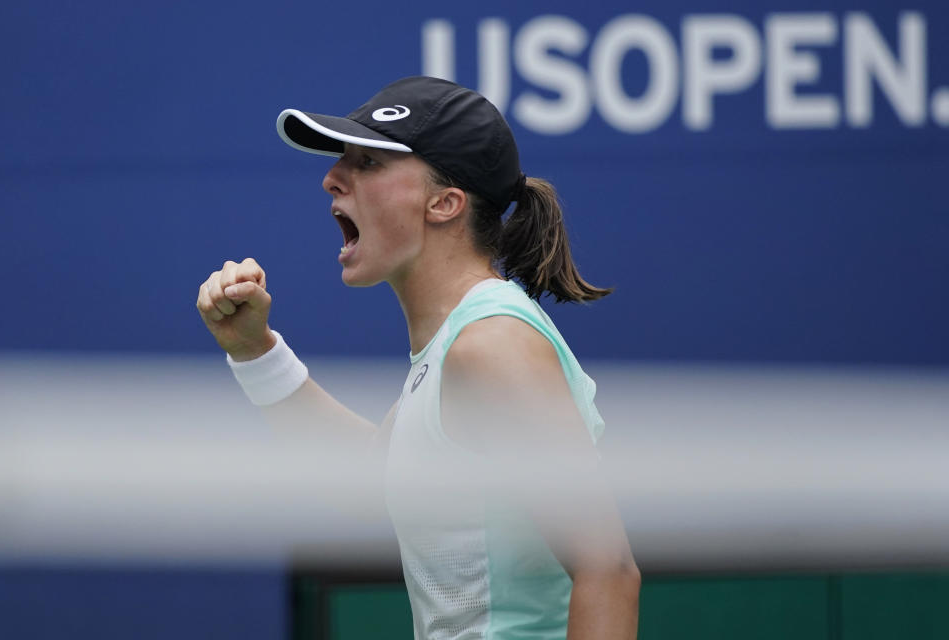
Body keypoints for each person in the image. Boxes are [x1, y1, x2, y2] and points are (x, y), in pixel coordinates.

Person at [196, 76, 640, 639]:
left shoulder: (490, 344)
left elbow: (609, 572)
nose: (332, 177)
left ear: (445, 203)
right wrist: (254, 351)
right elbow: (373, 487)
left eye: (369, 163)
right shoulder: (457, 345)